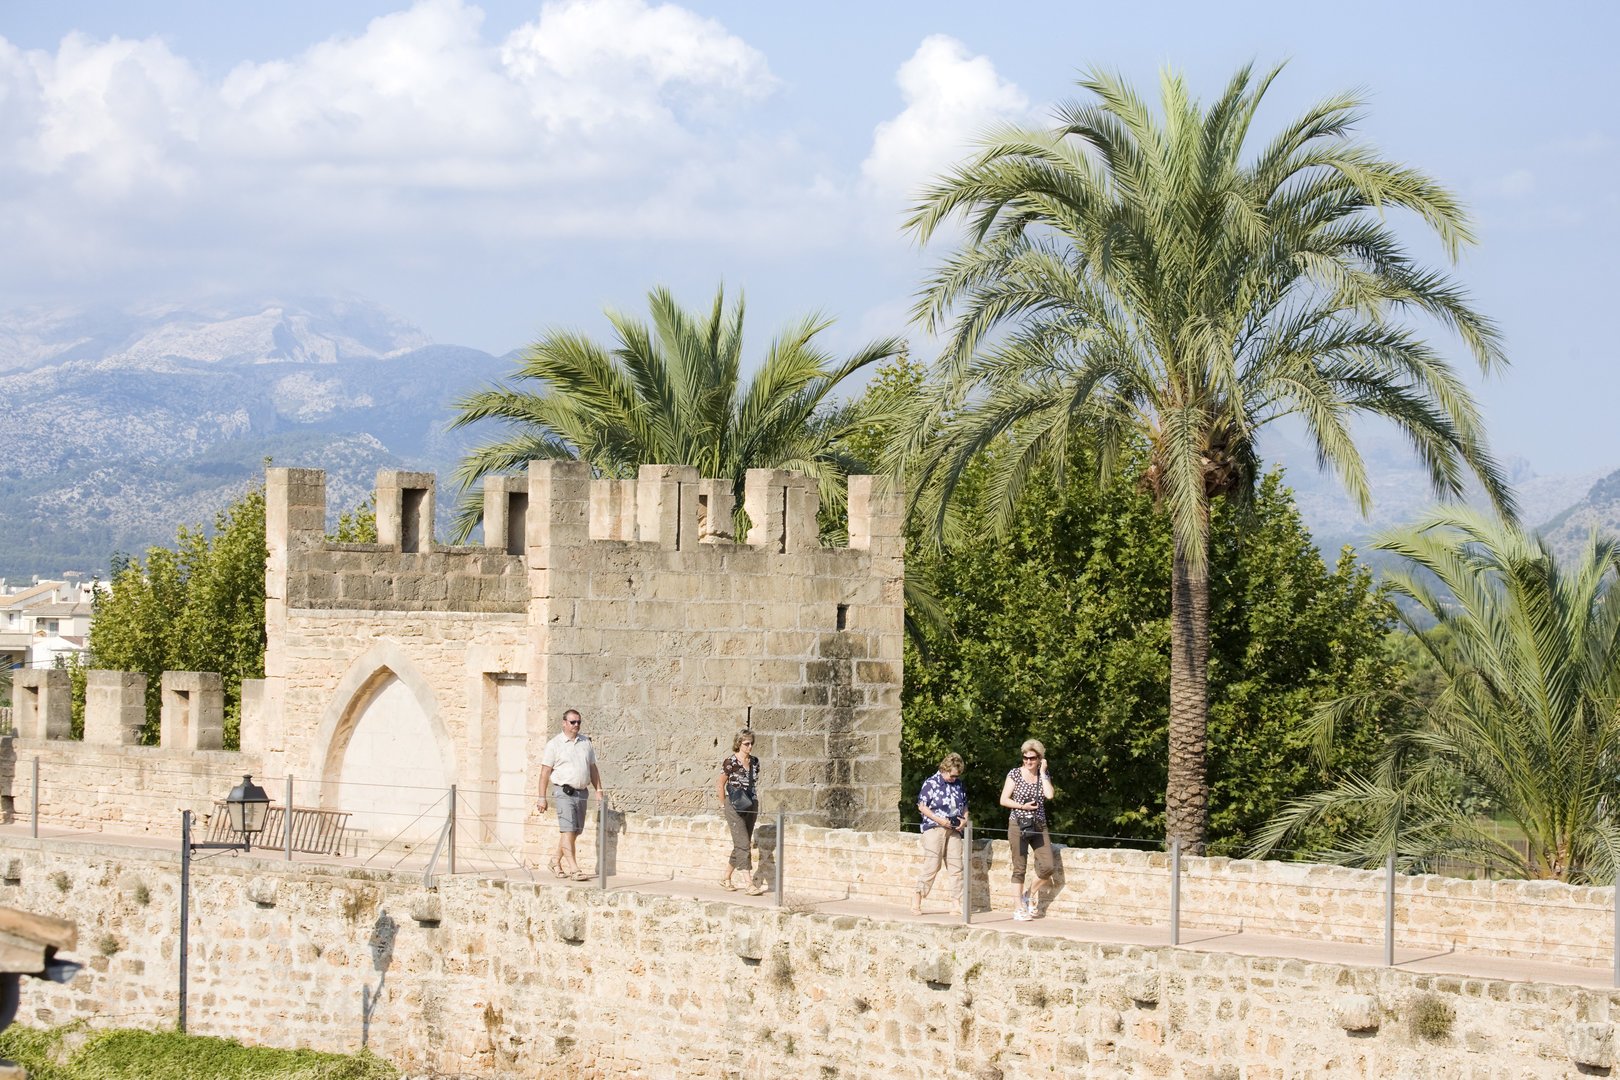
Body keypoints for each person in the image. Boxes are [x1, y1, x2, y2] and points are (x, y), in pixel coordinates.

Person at [537, 708, 604, 881]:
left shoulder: (585, 742)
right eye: (573, 722)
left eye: (579, 722)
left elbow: (592, 768)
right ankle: (574, 869)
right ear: (564, 723)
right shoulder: (554, 744)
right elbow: (545, 772)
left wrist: (599, 790)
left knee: (575, 831)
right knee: (567, 830)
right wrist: (541, 797)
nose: (576, 725)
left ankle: (554, 861)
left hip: (582, 793)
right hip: (563, 792)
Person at [999, 738, 1055, 921]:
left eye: (1032, 758)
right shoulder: (1015, 774)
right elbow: (1004, 800)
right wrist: (1022, 807)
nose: (1028, 762)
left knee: (1047, 867)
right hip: (1018, 823)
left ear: (1039, 758)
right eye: (1025, 758)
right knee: (1019, 867)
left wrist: (1044, 772)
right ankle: (1018, 908)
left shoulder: (1042, 776)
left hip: (1039, 824)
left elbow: (1049, 795)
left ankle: (1029, 894)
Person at [912, 751, 969, 915]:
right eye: (952, 775)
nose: (954, 778)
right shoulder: (931, 783)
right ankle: (917, 898)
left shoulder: (959, 784)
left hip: (954, 829)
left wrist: (964, 820)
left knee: (956, 867)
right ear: (944, 769)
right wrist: (939, 820)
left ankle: (955, 903)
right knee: (932, 865)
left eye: (956, 776)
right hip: (934, 828)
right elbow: (922, 806)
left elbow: (965, 805)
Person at [716, 729, 768, 895]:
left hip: (751, 804)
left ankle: (725, 877)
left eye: (751, 743)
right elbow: (720, 784)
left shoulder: (755, 762)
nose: (750, 746)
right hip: (734, 806)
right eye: (746, 743)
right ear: (739, 743)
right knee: (744, 843)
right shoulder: (730, 762)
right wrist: (724, 804)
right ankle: (749, 883)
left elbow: (752, 784)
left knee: (741, 843)